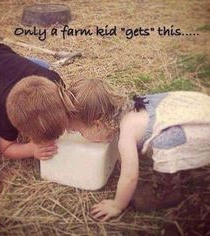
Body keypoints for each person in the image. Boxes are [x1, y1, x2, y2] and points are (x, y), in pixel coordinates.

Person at [68, 78, 210, 221]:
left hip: (198, 134)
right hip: (199, 111)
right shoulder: (132, 109)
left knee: (141, 199)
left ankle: (172, 189)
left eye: (81, 132)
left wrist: (118, 205)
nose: (83, 137)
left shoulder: (126, 134)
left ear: (97, 125)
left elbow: (130, 177)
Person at [0, 44, 74, 193]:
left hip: (2, 56)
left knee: (44, 65)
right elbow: (6, 148)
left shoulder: (55, 81)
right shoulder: (6, 109)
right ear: (18, 126)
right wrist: (30, 149)